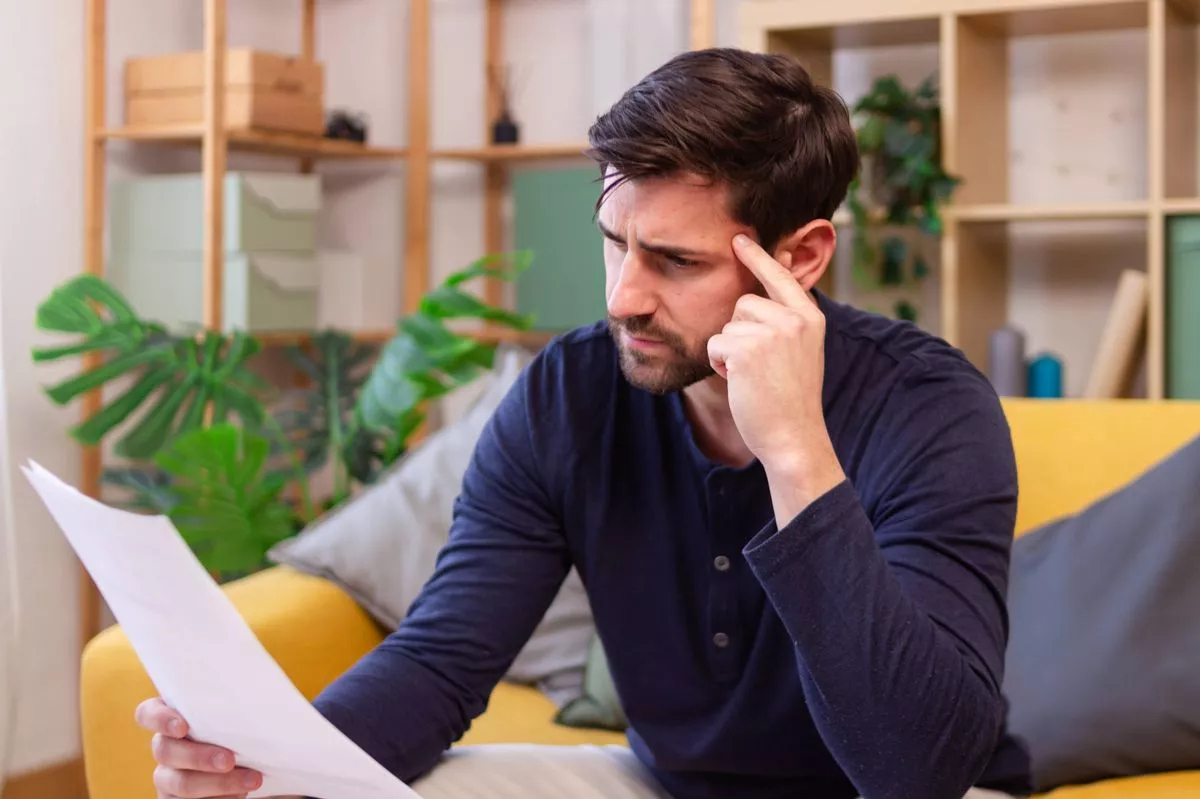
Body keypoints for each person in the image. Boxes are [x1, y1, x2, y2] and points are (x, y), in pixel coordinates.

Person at [135, 47, 1034, 799]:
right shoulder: (566, 394)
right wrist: (268, 765)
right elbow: (444, 659)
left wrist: (796, 451)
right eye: (616, 241)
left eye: (674, 261)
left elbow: (915, 769)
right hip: (660, 785)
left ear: (798, 257)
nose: (623, 298)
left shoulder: (931, 408)